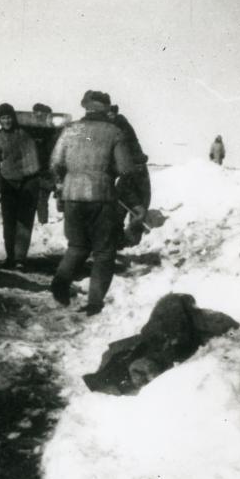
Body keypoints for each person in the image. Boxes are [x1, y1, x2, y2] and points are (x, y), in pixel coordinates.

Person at [48, 90, 136, 316]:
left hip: (72, 194)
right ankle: (95, 302)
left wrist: (60, 188)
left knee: (77, 246)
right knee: (104, 252)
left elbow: (55, 163)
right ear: (106, 109)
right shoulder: (115, 132)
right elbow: (126, 169)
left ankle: (60, 281)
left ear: (86, 108)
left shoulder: (70, 130)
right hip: (102, 195)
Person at [0, 103, 41, 269]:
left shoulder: (24, 136)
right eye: (3, 118)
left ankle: (20, 258)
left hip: (28, 183)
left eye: (9, 117)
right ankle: (10, 257)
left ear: (13, 118)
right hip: (8, 184)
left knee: (24, 221)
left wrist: (27, 178)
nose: (6, 121)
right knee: (9, 222)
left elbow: (33, 162)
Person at [106, 103, 151, 248]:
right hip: (138, 169)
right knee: (137, 202)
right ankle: (131, 239)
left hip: (131, 169)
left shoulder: (117, 126)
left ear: (112, 114)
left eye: (109, 114)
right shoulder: (122, 124)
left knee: (121, 203)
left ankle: (121, 239)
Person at [25, 103, 62, 225]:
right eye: (36, 113)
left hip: (45, 170)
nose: (37, 117)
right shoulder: (28, 129)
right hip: (33, 170)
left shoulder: (53, 131)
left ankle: (42, 223)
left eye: (41, 114)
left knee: (41, 198)